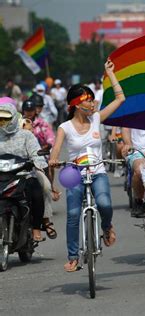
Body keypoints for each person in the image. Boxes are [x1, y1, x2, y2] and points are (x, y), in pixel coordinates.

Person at [49, 59, 125, 272]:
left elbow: (120, 98)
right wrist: (54, 160)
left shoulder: (97, 119)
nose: (93, 104)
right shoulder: (65, 127)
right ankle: (73, 256)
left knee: (105, 204)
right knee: (73, 214)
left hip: (98, 171)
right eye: (88, 101)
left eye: (93, 100)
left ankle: (106, 226)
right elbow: (56, 150)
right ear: (76, 104)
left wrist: (110, 73)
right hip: (74, 174)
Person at [0, 100, 46, 242]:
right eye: (1, 119)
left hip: (24, 175)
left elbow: (35, 152)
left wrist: (37, 162)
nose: (3, 122)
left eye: (6, 118)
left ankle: (36, 227)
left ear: (14, 118)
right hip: (2, 176)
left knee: (38, 192)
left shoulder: (26, 135)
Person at [22, 99, 59, 239]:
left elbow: (50, 139)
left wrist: (45, 148)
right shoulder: (16, 125)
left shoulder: (41, 124)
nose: (30, 113)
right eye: (27, 110)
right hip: (14, 165)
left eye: (32, 110)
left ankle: (46, 220)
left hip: (36, 161)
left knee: (45, 187)